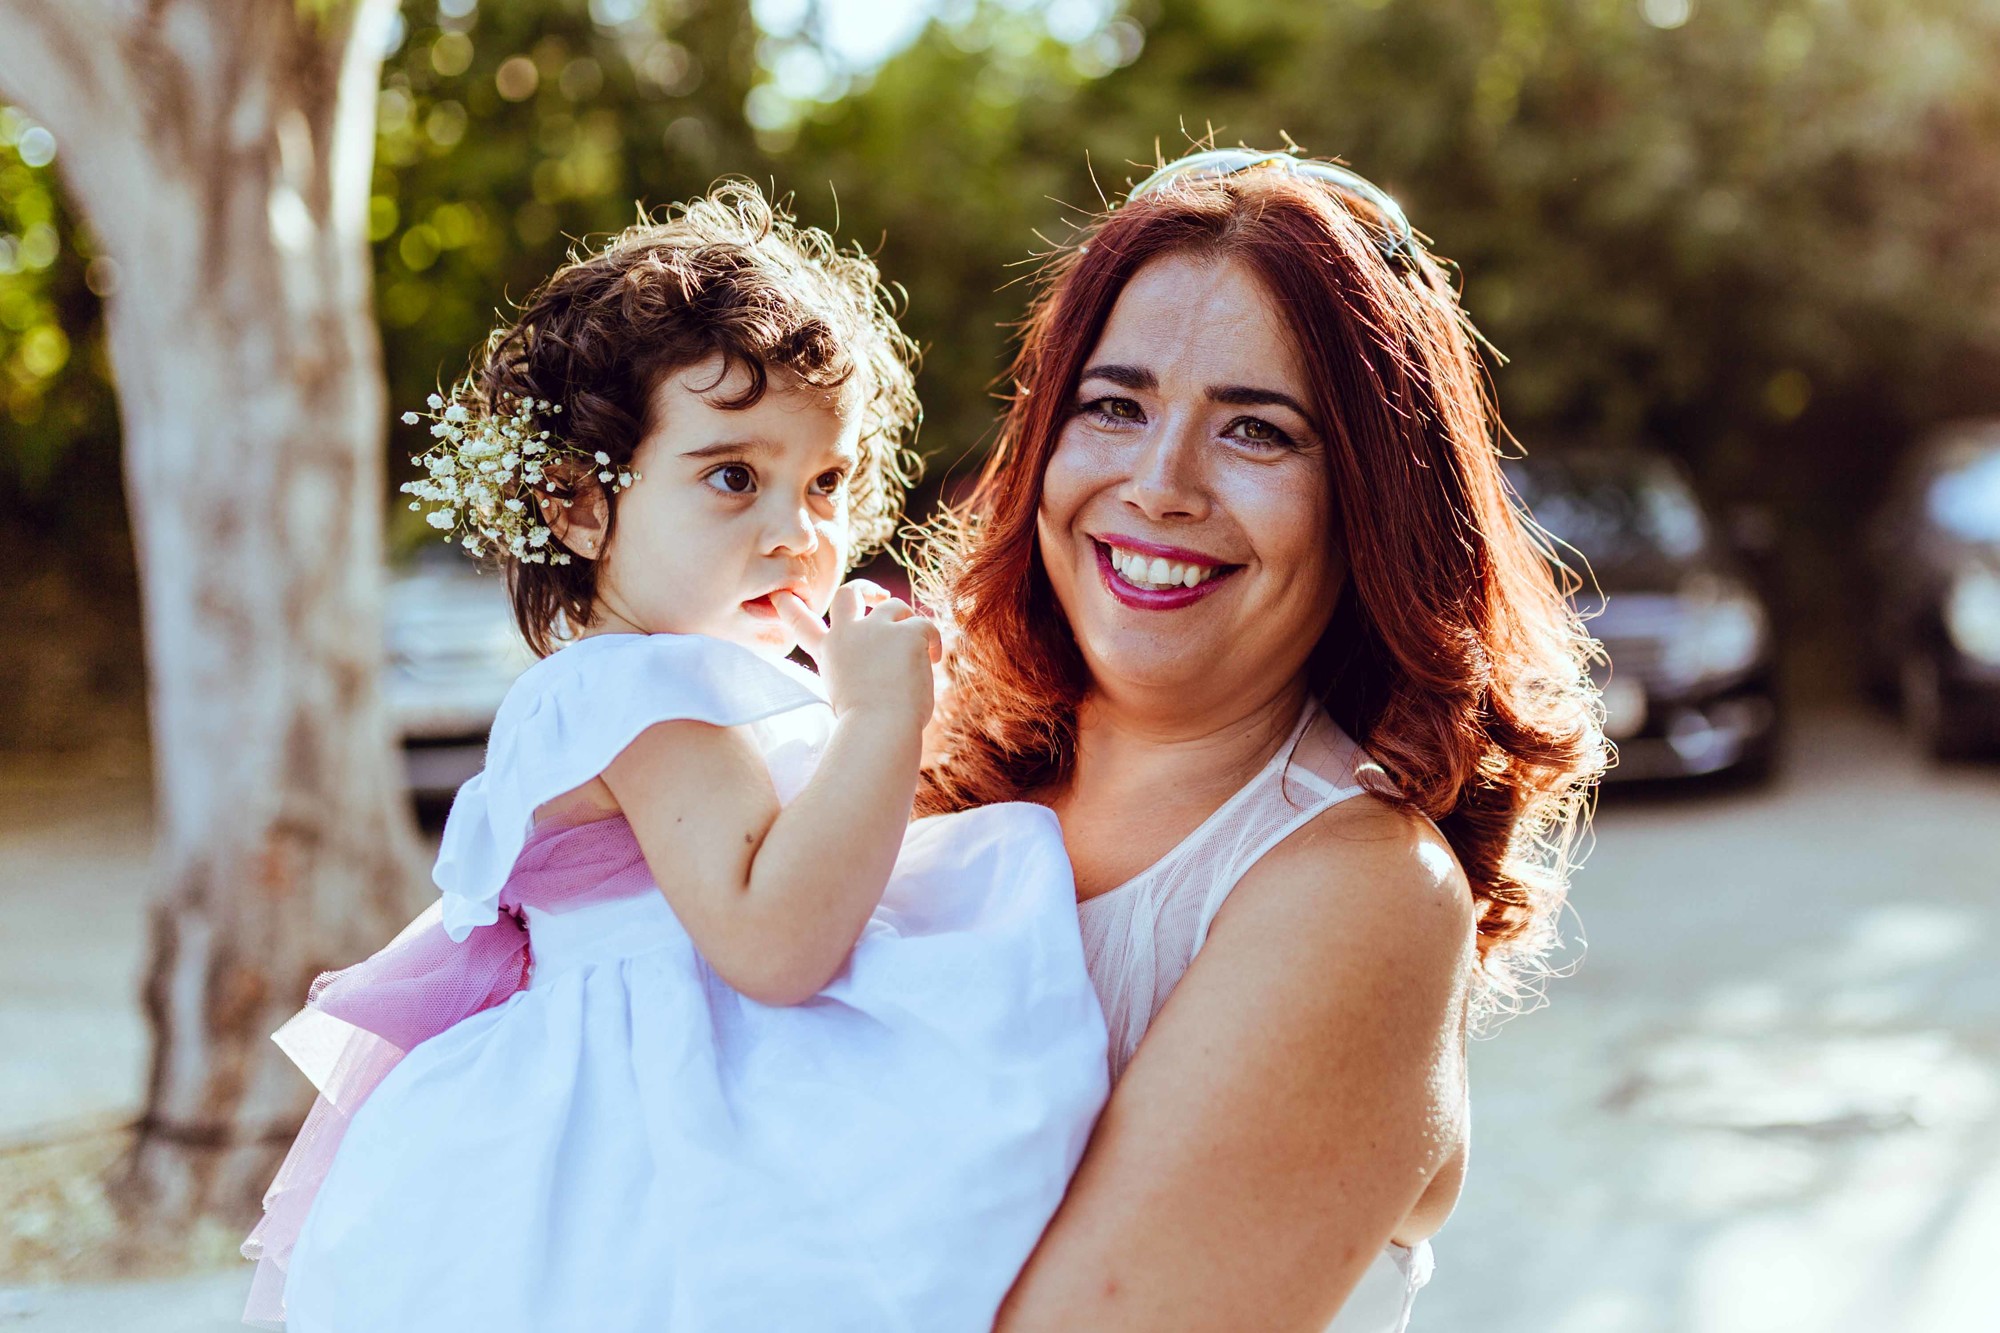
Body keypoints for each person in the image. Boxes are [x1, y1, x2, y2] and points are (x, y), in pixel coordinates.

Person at [239, 182, 1109, 1332]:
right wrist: (877, 722)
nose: (796, 532)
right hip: (657, 1127)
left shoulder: (677, 683)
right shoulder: (638, 694)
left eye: (825, 481)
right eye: (731, 477)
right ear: (575, 506)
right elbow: (776, 945)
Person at [917, 148, 1607, 1332]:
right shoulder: (906, 777)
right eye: (1114, 405)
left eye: (1255, 430)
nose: (1160, 484)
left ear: (1372, 501)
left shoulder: (1363, 894)